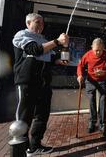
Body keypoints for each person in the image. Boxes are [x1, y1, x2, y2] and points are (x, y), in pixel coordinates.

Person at [12, 13, 69, 156]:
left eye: (42, 23)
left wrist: (65, 47)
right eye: (37, 22)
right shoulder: (22, 35)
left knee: (42, 116)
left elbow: (59, 60)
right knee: (24, 117)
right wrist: (57, 41)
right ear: (28, 23)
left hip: (43, 84)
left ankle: (35, 146)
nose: (41, 26)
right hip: (27, 82)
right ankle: (21, 150)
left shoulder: (44, 40)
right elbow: (34, 50)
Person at [77, 38, 106, 136]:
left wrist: (105, 72)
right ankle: (92, 122)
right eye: (96, 50)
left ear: (103, 48)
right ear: (92, 48)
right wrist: (80, 75)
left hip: (103, 80)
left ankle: (103, 124)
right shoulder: (88, 55)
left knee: (102, 102)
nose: (98, 52)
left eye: (100, 50)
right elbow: (80, 66)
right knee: (91, 101)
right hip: (91, 80)